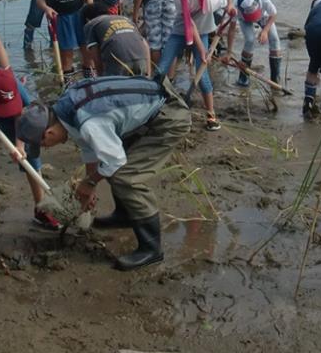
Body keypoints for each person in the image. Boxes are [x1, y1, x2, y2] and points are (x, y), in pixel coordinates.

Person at [16, 75, 191, 271]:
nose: (46, 149)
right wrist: (90, 185)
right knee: (111, 169)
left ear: (49, 133)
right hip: (149, 108)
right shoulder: (64, 108)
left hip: (168, 118)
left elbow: (114, 160)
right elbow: (91, 148)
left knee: (126, 177)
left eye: (43, 145)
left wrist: (90, 183)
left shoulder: (88, 122)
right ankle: (125, 215)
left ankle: (152, 249)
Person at [0, 64, 60, 229]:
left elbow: (23, 121)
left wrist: (19, 146)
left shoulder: (21, 94)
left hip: (15, 120)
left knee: (31, 160)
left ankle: (41, 209)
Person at [156, 0, 234, 132]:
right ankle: (156, 107)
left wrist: (229, 4)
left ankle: (211, 114)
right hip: (179, 31)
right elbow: (189, 25)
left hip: (204, 31)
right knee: (161, 69)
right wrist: (201, 50)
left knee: (202, 75)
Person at [229, 0, 282, 87]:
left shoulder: (263, 0)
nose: (254, 18)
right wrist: (229, 52)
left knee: (274, 39)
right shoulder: (235, 9)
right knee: (250, 40)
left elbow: (273, 14)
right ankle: (243, 79)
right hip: (244, 19)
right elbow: (231, 30)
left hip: (264, 16)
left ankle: (275, 80)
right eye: (252, 16)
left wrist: (265, 31)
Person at [81, 2, 150, 77]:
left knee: (116, 86)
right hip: (141, 56)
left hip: (119, 60)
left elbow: (95, 54)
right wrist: (148, 74)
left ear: (87, 19)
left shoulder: (91, 24)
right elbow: (145, 44)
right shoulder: (126, 19)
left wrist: (101, 77)